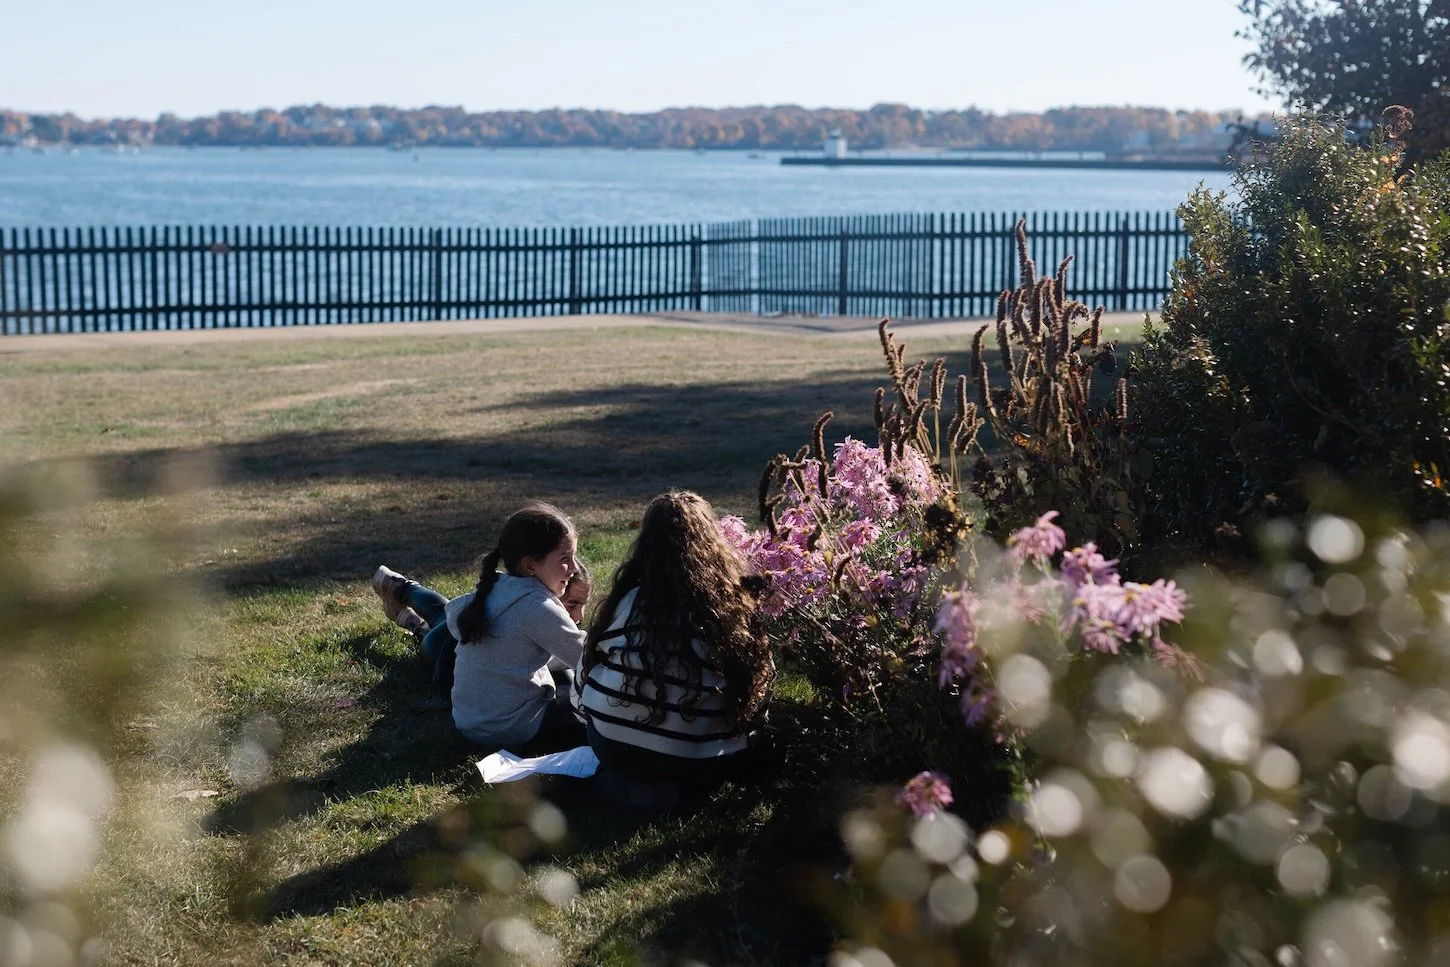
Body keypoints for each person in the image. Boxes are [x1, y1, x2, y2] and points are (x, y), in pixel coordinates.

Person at [578, 490, 775, 806]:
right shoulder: (730, 607)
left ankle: (632, 785)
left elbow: (586, 666)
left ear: (646, 546)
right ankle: (674, 788)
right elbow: (762, 681)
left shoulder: (627, 602)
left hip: (613, 745)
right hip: (698, 755)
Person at [372, 502, 587, 751]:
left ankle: (404, 590)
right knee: (587, 705)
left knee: (564, 681)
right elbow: (588, 657)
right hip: (511, 729)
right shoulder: (538, 606)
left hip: (469, 723)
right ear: (530, 565)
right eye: (564, 559)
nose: (573, 568)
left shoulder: (494, 589)